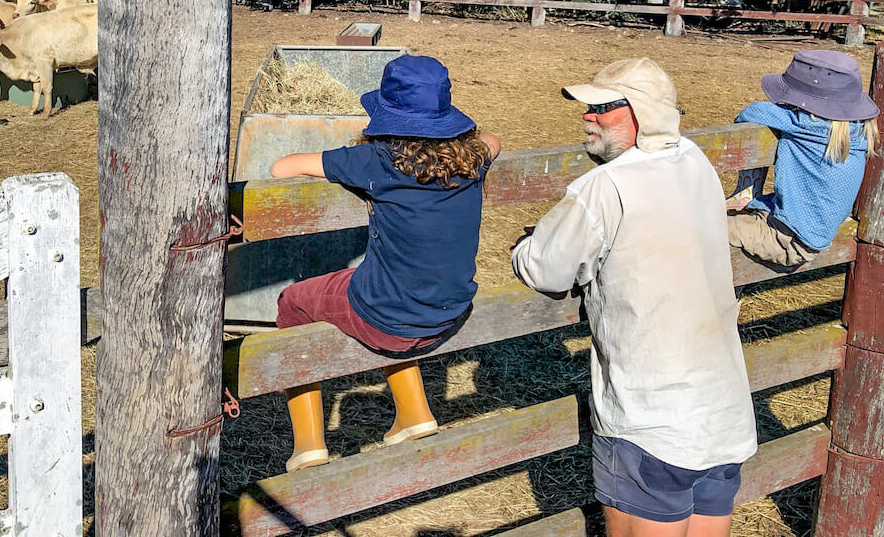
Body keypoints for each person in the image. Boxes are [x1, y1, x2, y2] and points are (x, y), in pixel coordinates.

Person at [512, 58, 756, 537]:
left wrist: (522, 247)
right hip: (721, 411)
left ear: (640, 113)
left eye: (601, 107)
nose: (587, 116)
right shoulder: (694, 160)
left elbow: (545, 268)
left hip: (650, 417)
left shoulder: (605, 186)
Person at [270, 54, 500, 472]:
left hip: (390, 319)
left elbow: (281, 166)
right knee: (395, 290)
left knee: (293, 301)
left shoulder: (374, 162)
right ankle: (413, 412)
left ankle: (308, 444)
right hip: (448, 314)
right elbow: (495, 140)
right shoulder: (474, 160)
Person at [727, 50, 878, 268]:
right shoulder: (859, 130)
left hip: (787, 241)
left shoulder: (803, 124)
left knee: (699, 229)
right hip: (808, 235)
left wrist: (788, 110)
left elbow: (751, 113)